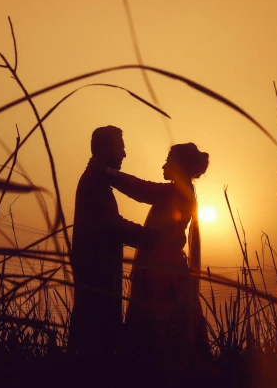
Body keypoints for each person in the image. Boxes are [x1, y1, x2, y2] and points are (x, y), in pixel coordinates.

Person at [107, 142, 210, 370]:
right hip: (165, 267)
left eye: (168, 160)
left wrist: (109, 174)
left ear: (178, 165)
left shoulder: (176, 191)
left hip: (161, 271)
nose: (164, 164)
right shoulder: (182, 190)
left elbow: (142, 189)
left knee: (156, 326)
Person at [69, 126, 157, 356]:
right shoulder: (93, 183)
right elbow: (113, 225)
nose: (124, 154)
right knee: (97, 343)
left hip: (98, 275)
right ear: (106, 147)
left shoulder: (97, 180)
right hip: (97, 276)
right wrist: (151, 237)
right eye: (121, 147)